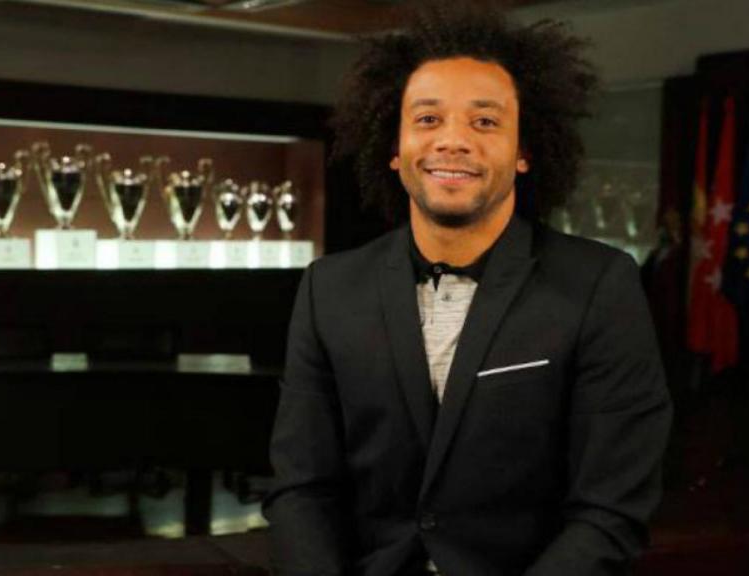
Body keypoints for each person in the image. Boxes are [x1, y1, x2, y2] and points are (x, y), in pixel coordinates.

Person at [262, 2, 673, 575]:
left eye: (485, 122)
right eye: (428, 120)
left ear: (525, 151)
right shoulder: (328, 288)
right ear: (394, 145)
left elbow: (610, 511)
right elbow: (300, 489)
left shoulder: (599, 285)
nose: (453, 141)